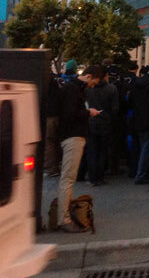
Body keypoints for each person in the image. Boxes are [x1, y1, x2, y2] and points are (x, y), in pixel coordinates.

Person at [56, 64, 101, 232]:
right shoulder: (74, 90)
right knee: (68, 179)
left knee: (67, 179)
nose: (93, 85)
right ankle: (64, 219)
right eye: (94, 82)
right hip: (73, 136)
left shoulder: (72, 87)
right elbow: (70, 114)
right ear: (88, 76)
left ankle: (64, 215)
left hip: (71, 135)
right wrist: (88, 113)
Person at [80, 64, 118, 186]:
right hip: (105, 122)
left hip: (90, 121)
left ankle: (91, 177)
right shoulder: (112, 89)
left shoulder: (88, 89)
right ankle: (100, 177)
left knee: (91, 150)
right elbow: (115, 108)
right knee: (102, 150)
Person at [131, 61, 149, 184]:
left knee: (142, 147)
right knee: (147, 148)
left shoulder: (137, 83)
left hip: (138, 118)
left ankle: (139, 172)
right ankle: (141, 174)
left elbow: (131, 100)